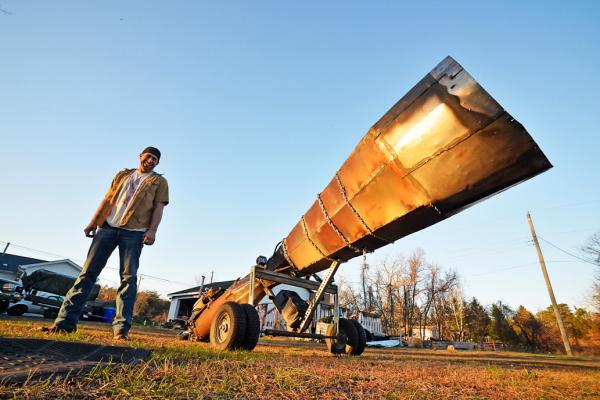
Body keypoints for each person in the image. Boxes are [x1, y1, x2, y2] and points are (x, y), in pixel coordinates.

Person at [43, 146, 169, 340]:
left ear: (158, 163)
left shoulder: (159, 182)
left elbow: (158, 209)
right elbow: (107, 199)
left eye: (155, 159)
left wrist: (152, 231)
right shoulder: (123, 175)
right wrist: (93, 222)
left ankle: (121, 330)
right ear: (141, 156)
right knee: (87, 275)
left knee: (128, 279)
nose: (151, 160)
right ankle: (64, 323)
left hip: (134, 234)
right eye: (149, 156)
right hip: (107, 229)